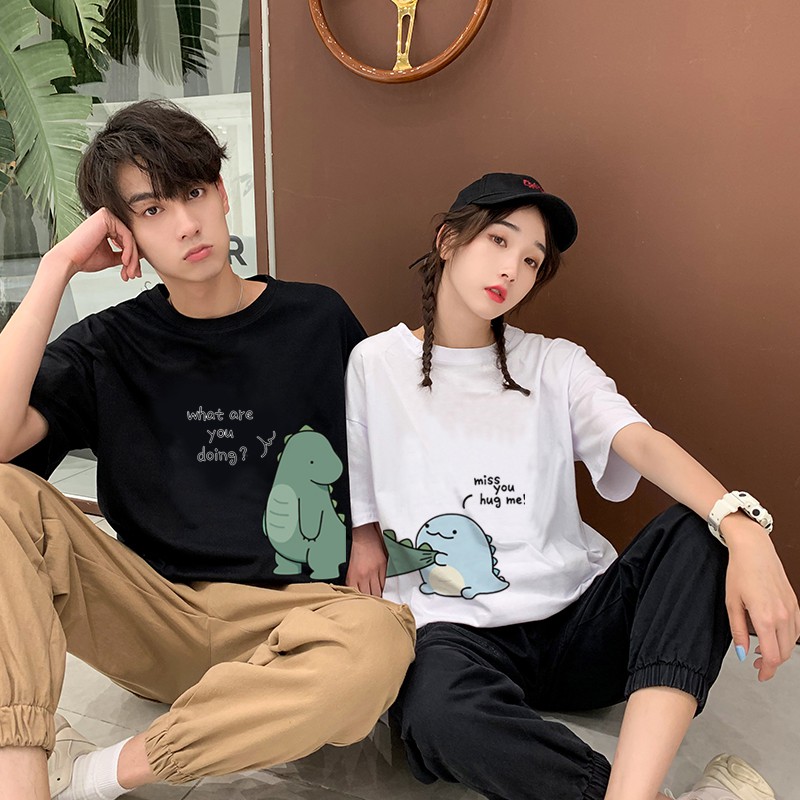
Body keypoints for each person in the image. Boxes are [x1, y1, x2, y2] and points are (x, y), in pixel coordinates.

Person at [0, 99, 415, 800]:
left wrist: (367, 532)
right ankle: (21, 779)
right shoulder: (108, 345)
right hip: (154, 613)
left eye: (192, 193)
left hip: (295, 617)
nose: (186, 224)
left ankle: (101, 772)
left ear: (222, 193)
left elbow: (380, 444)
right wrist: (57, 266)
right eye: (152, 210)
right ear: (124, 235)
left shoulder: (317, 318)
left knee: (381, 642)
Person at [344, 172, 800, 800]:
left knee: (701, 531)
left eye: (532, 260)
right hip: (456, 635)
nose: (512, 269)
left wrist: (744, 526)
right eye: (498, 240)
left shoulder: (555, 363)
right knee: (434, 716)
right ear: (447, 240)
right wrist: (364, 537)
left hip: (579, 624)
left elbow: (639, 441)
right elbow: (363, 480)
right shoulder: (375, 363)